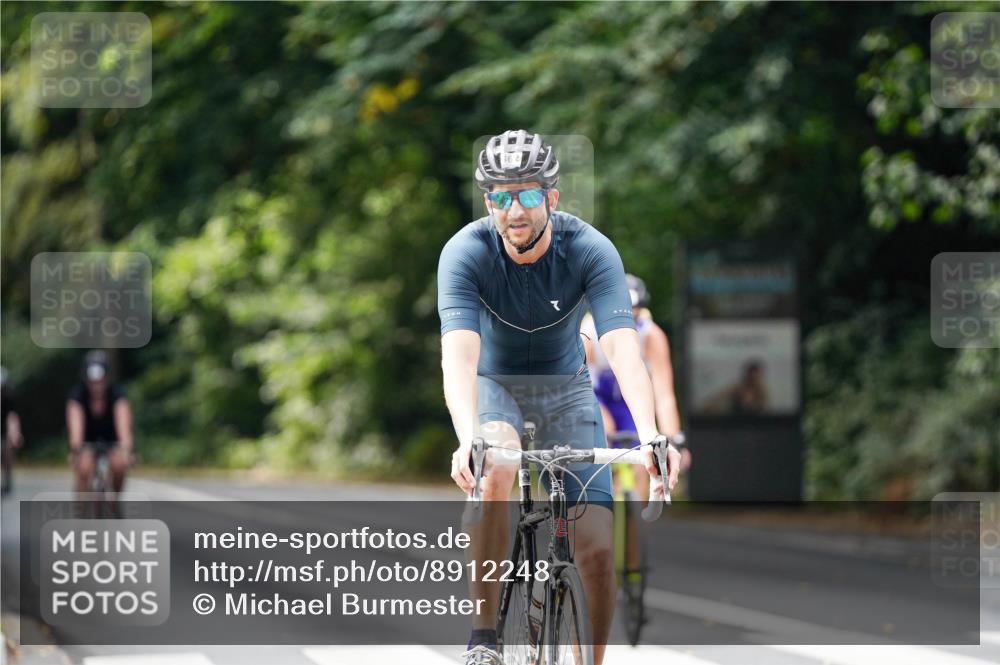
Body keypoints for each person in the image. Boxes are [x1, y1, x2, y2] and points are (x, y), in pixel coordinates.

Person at [439, 129, 681, 665]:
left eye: (527, 194)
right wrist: (466, 440)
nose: (514, 209)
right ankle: (483, 638)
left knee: (596, 549)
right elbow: (458, 357)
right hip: (495, 387)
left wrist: (649, 435)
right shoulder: (466, 252)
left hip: (568, 392)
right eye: (501, 196)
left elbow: (622, 349)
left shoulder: (590, 249)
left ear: (551, 197)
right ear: (488, 203)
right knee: (497, 469)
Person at [580, 273, 689, 507]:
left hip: (632, 404)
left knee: (644, 464)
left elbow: (663, 394)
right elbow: (581, 386)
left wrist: (672, 437)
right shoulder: (588, 332)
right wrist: (603, 422)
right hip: (598, 398)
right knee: (600, 446)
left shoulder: (652, 336)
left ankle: (634, 529)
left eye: (635, 312)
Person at [66, 350, 134, 496]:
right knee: (83, 468)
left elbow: (123, 424)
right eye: (92, 381)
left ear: (107, 378)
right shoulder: (77, 395)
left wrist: (126, 450)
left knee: (119, 466)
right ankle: (81, 512)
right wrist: (76, 450)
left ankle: (115, 499)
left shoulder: (117, 394)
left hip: (112, 440)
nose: (96, 385)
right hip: (87, 441)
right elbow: (75, 426)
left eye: (100, 380)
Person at [1, 367, 24, 496]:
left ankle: (8, 477)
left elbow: (12, 418)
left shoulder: (8, 398)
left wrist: (15, 435)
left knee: (8, 448)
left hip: (4, 431)